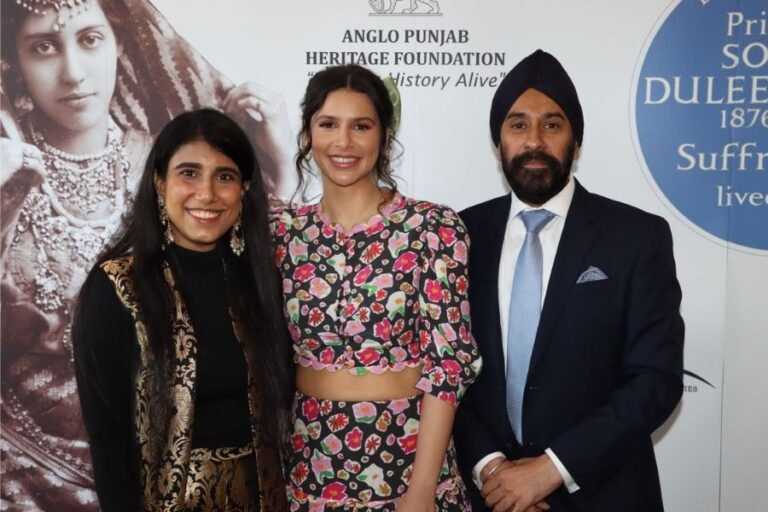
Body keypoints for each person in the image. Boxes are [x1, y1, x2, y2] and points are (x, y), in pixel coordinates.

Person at [0, 1, 294, 508]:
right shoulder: (9, 177)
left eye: (90, 39)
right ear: (14, 66)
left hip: (179, 476)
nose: (72, 72)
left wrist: (284, 167)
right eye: (44, 47)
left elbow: (259, 293)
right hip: (22, 476)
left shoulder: (176, 166)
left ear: (121, 45)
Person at [453, 49, 685, 512]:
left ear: (576, 144)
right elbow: (446, 375)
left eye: (552, 125)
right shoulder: (458, 235)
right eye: (518, 125)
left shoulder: (637, 237)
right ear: (498, 142)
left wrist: (550, 470)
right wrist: (493, 468)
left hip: (605, 493)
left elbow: (655, 380)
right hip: (487, 496)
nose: (534, 140)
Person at [271, 64, 482, 510]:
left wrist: (421, 491)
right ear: (307, 135)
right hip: (312, 468)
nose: (343, 142)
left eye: (361, 126)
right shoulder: (283, 233)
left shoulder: (432, 227)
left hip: (408, 466)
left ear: (384, 137)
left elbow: (449, 364)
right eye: (328, 124)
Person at [72, 108, 292, 511]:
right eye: (188, 173)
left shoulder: (262, 283)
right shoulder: (117, 288)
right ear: (160, 183)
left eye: (224, 176)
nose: (206, 194)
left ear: (244, 189)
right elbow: (107, 439)